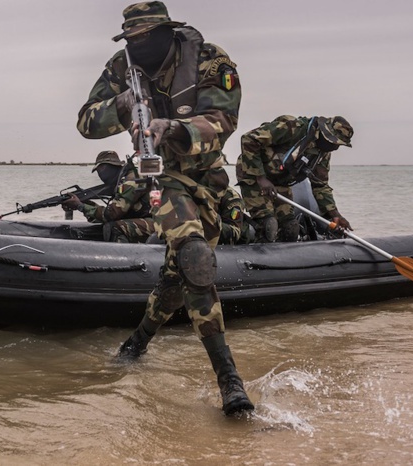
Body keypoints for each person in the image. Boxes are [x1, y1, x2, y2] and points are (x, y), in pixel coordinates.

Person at [76, 2, 253, 415]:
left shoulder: (209, 59)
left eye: (146, 37)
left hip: (207, 178)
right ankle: (229, 380)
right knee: (195, 256)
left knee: (176, 280)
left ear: (168, 32)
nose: (138, 45)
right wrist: (123, 104)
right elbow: (86, 122)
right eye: (131, 39)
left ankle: (136, 343)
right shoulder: (120, 67)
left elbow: (223, 121)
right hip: (160, 177)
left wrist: (173, 127)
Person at [235, 115, 354, 242]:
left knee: (290, 227)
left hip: (280, 181)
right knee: (268, 225)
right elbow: (249, 138)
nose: (335, 148)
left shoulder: (322, 154)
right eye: (334, 142)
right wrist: (260, 177)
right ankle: (258, 245)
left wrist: (335, 214)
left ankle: (282, 251)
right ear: (325, 134)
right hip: (254, 175)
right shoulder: (293, 128)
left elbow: (320, 185)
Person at [62, 151, 155, 243]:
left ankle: (122, 253)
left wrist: (80, 206)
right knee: (105, 224)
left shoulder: (131, 180)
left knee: (115, 227)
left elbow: (111, 214)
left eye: (101, 169)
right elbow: (105, 216)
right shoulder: (121, 180)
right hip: (147, 220)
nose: (100, 174)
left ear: (112, 166)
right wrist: (84, 203)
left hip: (158, 224)